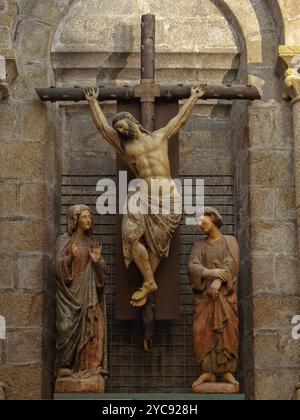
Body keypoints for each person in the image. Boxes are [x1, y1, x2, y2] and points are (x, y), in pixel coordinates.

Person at [84, 84, 206, 307]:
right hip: (142, 195)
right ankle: (149, 281)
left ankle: (149, 283)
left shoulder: (159, 137)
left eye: (123, 126)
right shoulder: (125, 148)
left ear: (133, 122)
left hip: (168, 197)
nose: (122, 131)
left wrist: (194, 97)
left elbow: (179, 120)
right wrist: (93, 102)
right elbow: (103, 128)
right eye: (119, 130)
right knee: (130, 235)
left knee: (158, 244)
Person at [55, 205, 107, 388]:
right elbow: (57, 269)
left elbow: (102, 279)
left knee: (96, 329)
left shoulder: (92, 244)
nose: (89, 220)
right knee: (66, 327)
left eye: (89, 217)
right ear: (75, 220)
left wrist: (97, 262)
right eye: (85, 217)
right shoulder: (64, 242)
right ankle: (65, 366)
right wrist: (70, 258)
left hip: (89, 297)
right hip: (69, 298)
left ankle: (90, 369)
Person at [188, 207, 240, 387]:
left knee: (227, 331)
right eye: (198, 224)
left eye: (202, 221)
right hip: (205, 301)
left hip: (225, 298)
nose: (200, 225)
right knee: (201, 331)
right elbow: (192, 267)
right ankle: (207, 371)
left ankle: (227, 371)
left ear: (211, 217)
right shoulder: (198, 246)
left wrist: (217, 282)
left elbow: (232, 263)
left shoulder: (229, 241)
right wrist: (210, 272)